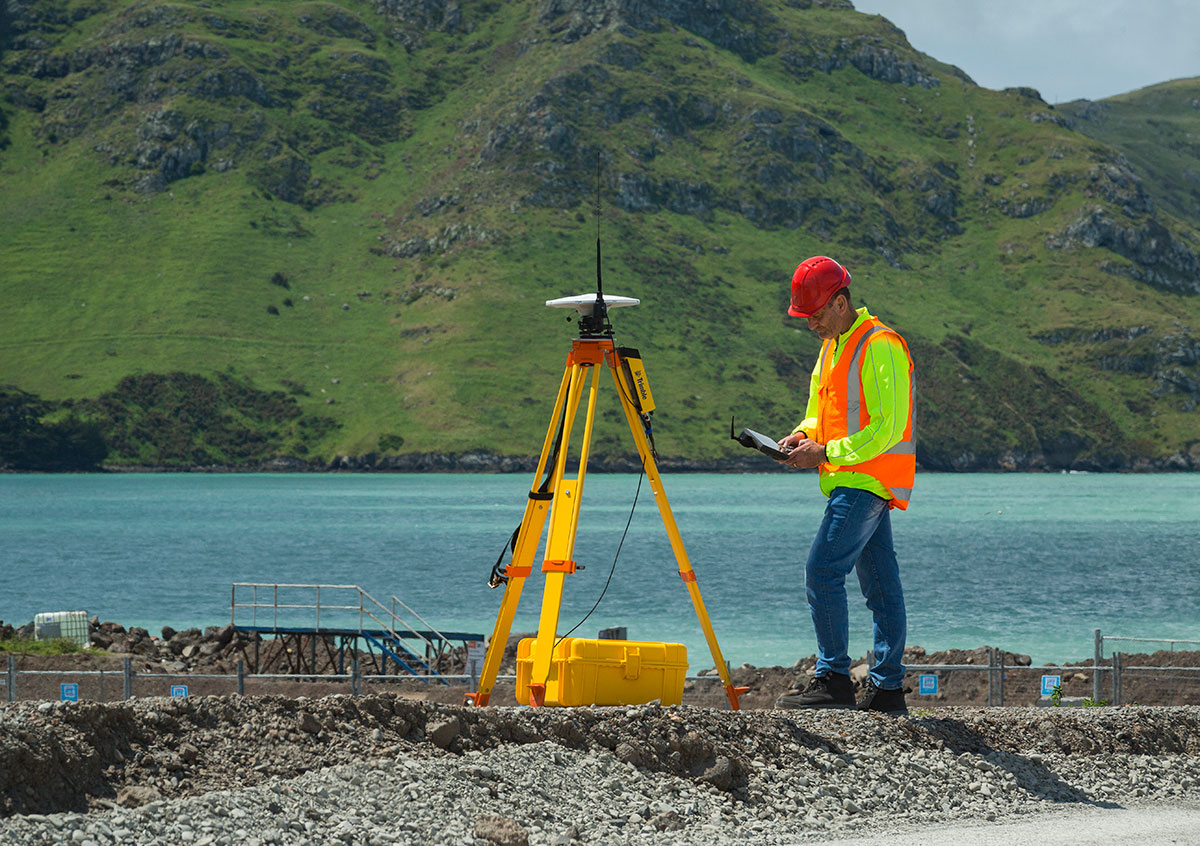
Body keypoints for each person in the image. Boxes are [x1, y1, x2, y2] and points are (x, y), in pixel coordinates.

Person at [772, 255, 915, 715]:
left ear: (840, 302)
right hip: (850, 478)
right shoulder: (832, 346)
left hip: (865, 478)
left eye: (814, 314)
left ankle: (834, 677)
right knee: (881, 586)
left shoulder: (880, 344)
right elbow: (821, 411)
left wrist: (826, 453)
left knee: (822, 570)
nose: (810, 323)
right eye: (805, 316)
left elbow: (889, 427)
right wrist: (803, 433)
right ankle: (887, 689)